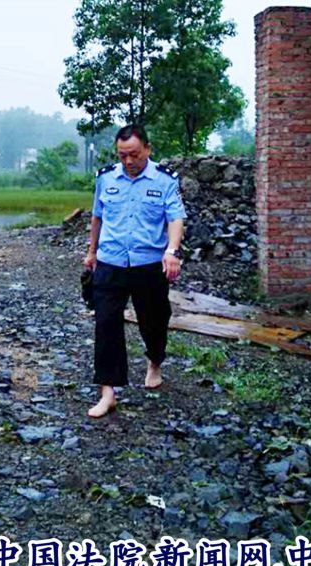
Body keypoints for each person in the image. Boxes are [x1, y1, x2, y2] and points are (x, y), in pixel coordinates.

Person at [83, 124, 186, 418]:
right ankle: (108, 392)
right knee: (106, 324)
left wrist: (172, 252)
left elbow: (175, 218)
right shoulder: (106, 178)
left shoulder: (165, 180)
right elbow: (97, 217)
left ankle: (155, 361)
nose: (128, 161)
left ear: (148, 149)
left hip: (148, 264)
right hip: (110, 261)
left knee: (153, 321)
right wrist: (91, 252)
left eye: (135, 154)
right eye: (122, 155)